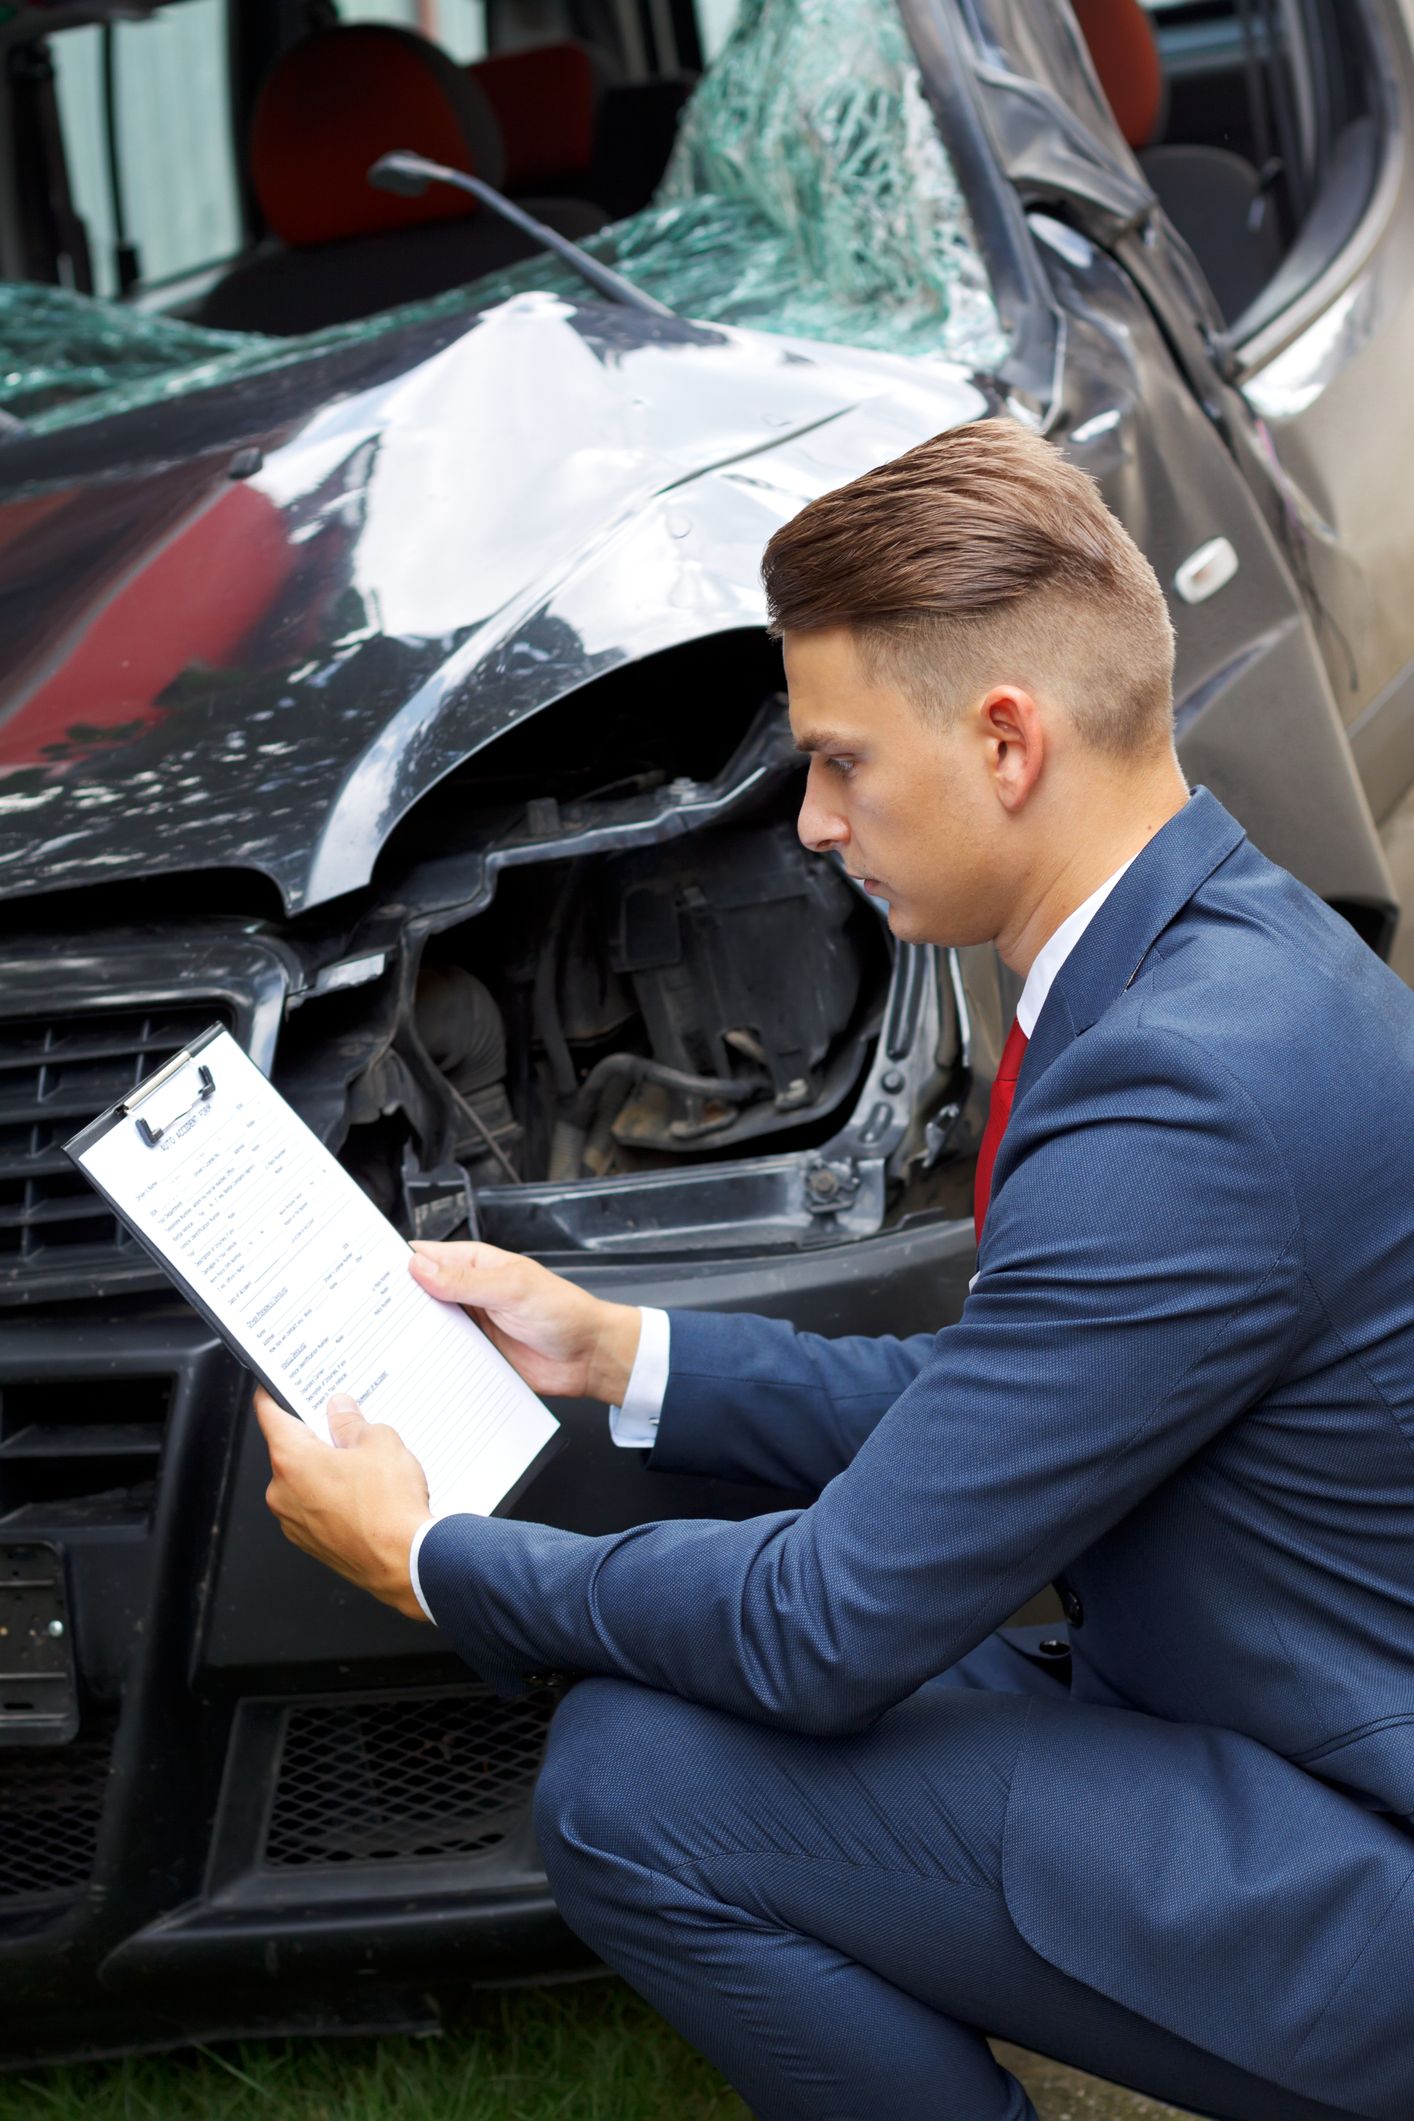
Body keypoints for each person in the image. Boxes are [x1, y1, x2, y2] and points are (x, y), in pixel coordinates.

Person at [256, 419, 1414, 2121]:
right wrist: (618, 1350)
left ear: (1003, 740)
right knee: (681, 1697)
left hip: (1354, 1886)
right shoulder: (1227, 953)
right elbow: (1009, 1398)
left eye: (839, 762)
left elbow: (825, 1630)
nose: (807, 822)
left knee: (637, 1784)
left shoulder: (1186, 1088)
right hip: (1280, 1727)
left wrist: (434, 1559)